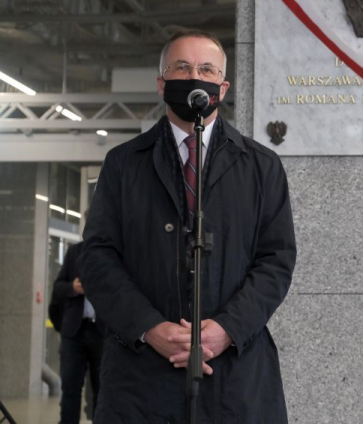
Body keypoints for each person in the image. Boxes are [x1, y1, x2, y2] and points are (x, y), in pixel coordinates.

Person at [81, 29, 297, 423]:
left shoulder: (262, 167)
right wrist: (150, 328)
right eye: (182, 67)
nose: (195, 76)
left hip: (235, 372)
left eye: (206, 69)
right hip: (141, 375)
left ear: (223, 86)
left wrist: (228, 328)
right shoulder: (124, 164)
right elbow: (97, 257)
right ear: (162, 82)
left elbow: (277, 260)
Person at [52, 240, 105, 424]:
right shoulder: (75, 251)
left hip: (101, 332)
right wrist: (72, 288)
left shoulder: (112, 251)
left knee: (103, 390)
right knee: (70, 389)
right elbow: (58, 287)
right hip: (74, 332)